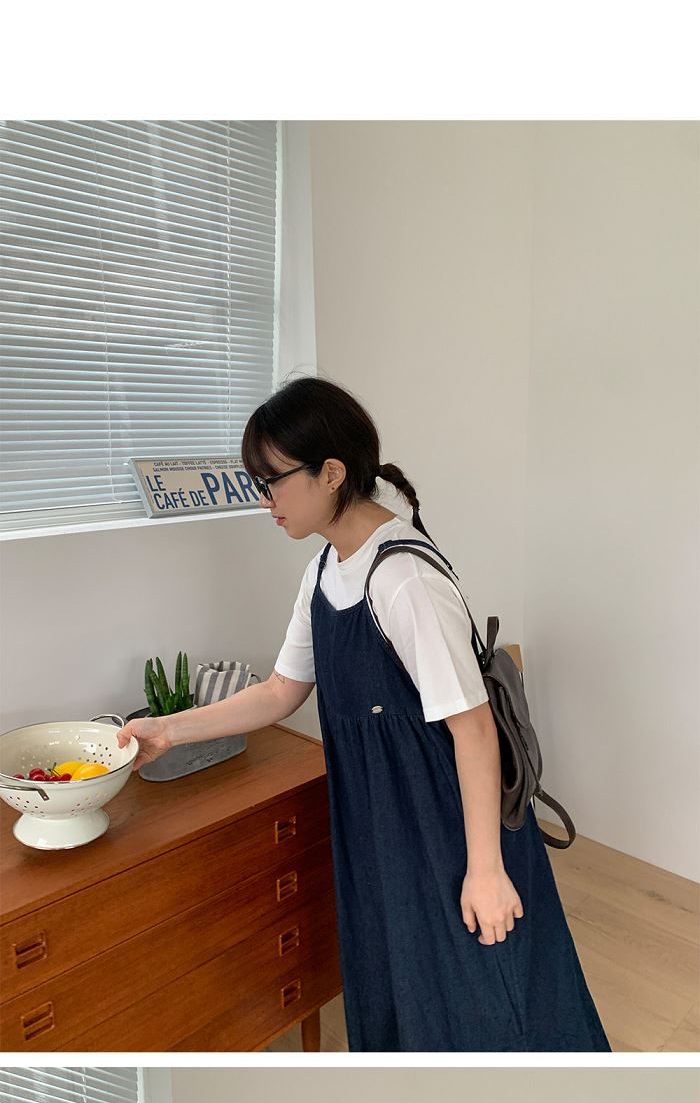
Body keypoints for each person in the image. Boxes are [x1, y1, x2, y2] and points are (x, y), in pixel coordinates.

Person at [119, 375, 610, 1056]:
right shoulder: (325, 570)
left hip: (447, 824)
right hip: (380, 822)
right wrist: (168, 730)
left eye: (271, 482)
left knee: (486, 1003)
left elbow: (472, 729)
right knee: (404, 984)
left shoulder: (403, 579)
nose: (264, 501)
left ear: (331, 473)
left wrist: (486, 870)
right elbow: (279, 691)